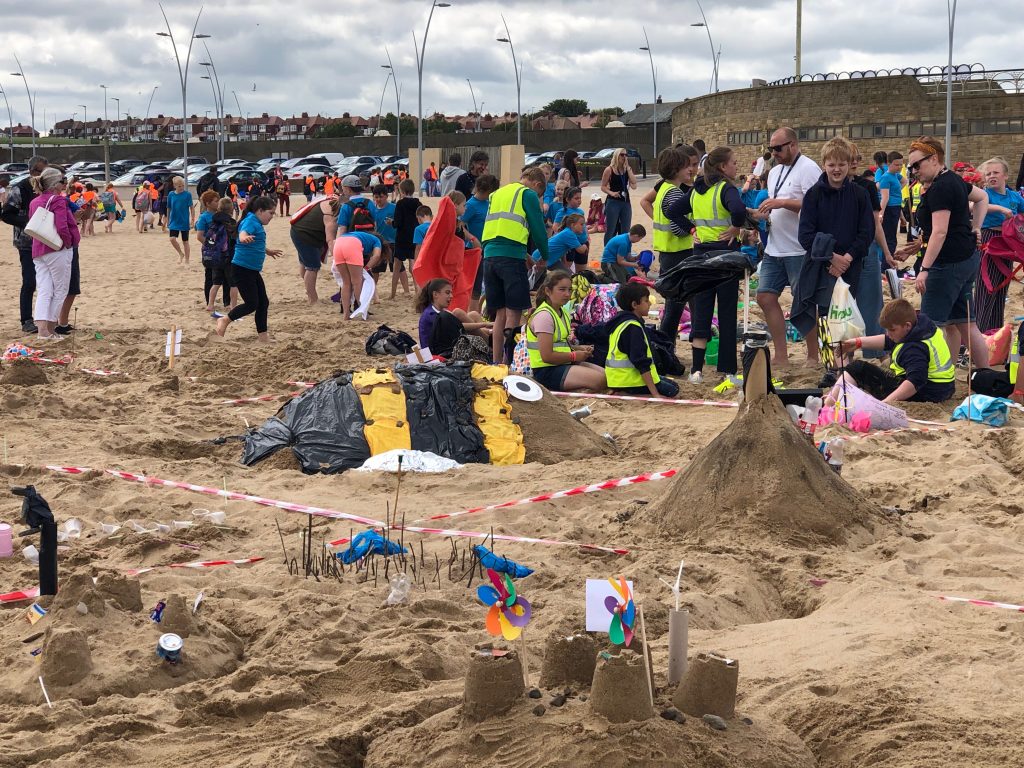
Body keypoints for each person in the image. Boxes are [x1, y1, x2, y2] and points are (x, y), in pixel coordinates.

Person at [895, 136, 990, 370]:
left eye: (917, 164)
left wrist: (924, 269)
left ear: (934, 159)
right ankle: (984, 374)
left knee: (929, 324)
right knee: (963, 323)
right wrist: (974, 227)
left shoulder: (940, 187)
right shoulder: (954, 181)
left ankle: (932, 374)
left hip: (947, 264)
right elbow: (982, 198)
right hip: (965, 259)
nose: (914, 170)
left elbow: (940, 232)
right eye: (910, 166)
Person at [791, 137, 874, 346]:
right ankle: (831, 365)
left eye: (841, 164)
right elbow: (805, 236)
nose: (836, 169)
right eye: (831, 165)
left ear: (849, 165)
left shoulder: (860, 194)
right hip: (822, 266)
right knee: (825, 316)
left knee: (847, 314)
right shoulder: (813, 195)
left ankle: (845, 366)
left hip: (850, 264)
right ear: (824, 165)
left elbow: (866, 233)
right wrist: (831, 258)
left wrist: (847, 257)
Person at [755, 126, 823, 367]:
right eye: (771, 149)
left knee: (804, 302)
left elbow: (815, 206)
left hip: (799, 248)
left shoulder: (808, 168)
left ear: (793, 145)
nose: (774, 153)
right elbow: (774, 207)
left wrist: (782, 202)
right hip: (774, 246)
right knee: (764, 297)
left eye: (778, 148)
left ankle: (813, 355)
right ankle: (781, 355)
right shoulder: (774, 172)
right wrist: (756, 215)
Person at [681, 146, 748, 382]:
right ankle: (727, 370)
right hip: (724, 256)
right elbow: (738, 209)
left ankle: (696, 370)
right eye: (733, 163)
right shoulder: (725, 188)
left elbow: (673, 210)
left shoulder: (696, 191)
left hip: (701, 256)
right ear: (722, 167)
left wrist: (692, 229)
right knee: (727, 312)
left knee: (702, 313)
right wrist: (737, 227)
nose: (736, 166)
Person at [827, 298, 955, 405]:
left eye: (892, 330)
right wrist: (858, 342)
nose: (889, 334)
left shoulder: (914, 348)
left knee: (856, 369)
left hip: (927, 393)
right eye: (886, 330)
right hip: (944, 387)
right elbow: (889, 341)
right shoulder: (921, 327)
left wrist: (885, 404)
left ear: (907, 325)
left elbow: (915, 381)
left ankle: (827, 405)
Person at [482, 167, 549, 364]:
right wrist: (544, 256)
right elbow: (538, 229)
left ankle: (496, 362)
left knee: (499, 314)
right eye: (540, 195)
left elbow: (502, 229)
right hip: (510, 260)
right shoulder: (527, 194)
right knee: (514, 312)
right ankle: (508, 361)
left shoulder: (497, 194)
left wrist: (525, 254)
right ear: (537, 185)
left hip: (490, 256)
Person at [639, 145, 700, 345]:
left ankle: (666, 344)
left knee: (675, 304)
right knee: (675, 306)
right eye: (685, 167)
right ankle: (666, 346)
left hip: (668, 252)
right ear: (675, 170)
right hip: (677, 252)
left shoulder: (664, 188)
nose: (689, 170)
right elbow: (676, 227)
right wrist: (694, 228)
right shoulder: (674, 193)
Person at [848, 146, 896, 359]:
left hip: (866, 251)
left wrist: (886, 253)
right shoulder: (825, 187)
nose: (855, 162)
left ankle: (873, 354)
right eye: (851, 158)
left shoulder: (866, 186)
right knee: (841, 307)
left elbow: (875, 223)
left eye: (857, 158)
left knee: (871, 304)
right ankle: (843, 356)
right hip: (838, 253)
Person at [525, 270, 605, 391]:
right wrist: (574, 356)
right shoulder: (544, 316)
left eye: (569, 290)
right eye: (562, 290)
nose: (567, 294)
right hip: (546, 370)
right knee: (599, 380)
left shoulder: (562, 312)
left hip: (561, 363)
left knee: (605, 375)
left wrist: (579, 348)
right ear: (548, 291)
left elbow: (560, 343)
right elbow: (546, 356)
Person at [216, 196, 282, 341]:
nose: (272, 216)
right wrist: (243, 237)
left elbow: (255, 242)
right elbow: (243, 232)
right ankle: (225, 320)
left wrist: (267, 250)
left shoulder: (256, 221)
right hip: (242, 269)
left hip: (251, 270)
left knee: (263, 302)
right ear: (260, 211)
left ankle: (263, 336)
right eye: (271, 213)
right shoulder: (251, 221)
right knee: (252, 303)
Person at [27, 168, 78, 340]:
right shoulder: (57, 201)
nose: (64, 184)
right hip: (56, 248)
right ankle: (50, 328)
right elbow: (62, 225)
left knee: (44, 289)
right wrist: (68, 243)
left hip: (39, 249)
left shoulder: (35, 201)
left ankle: (42, 330)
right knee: (60, 289)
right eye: (62, 181)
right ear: (55, 184)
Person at [974, 157, 1024, 331]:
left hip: (1008, 243)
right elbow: (974, 206)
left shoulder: (1015, 196)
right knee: (985, 289)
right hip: (989, 240)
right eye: (988, 174)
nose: (991, 176)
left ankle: (993, 335)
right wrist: (1000, 209)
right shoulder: (984, 194)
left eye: (996, 172)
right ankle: (978, 334)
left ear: (1005, 176)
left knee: (1001, 289)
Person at [605, 282, 679, 398]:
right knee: (672, 390)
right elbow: (641, 362)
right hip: (629, 381)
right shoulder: (632, 327)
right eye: (646, 300)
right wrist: (655, 394)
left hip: (617, 379)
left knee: (671, 383)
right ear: (635, 304)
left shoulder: (621, 321)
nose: (649, 303)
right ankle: (630, 395)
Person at [1, 154, 48, 334]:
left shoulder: (46, 189)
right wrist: (29, 221)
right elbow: (6, 214)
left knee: (47, 283)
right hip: (26, 243)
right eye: (40, 172)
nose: (43, 176)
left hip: (46, 242)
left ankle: (47, 319)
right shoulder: (19, 189)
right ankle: (26, 320)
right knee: (29, 281)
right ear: (31, 171)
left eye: (46, 172)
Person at [415, 277, 491, 357]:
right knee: (470, 323)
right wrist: (483, 325)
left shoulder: (439, 311)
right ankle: (489, 343)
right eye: (447, 293)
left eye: (451, 293)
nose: (451, 296)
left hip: (445, 344)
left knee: (472, 315)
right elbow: (458, 327)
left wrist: (485, 329)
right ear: (435, 294)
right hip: (436, 353)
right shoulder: (430, 314)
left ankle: (489, 340)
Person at [290, 189, 340, 304]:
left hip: (298, 230)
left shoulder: (329, 200)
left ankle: (310, 292)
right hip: (306, 235)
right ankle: (313, 299)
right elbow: (330, 239)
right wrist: (337, 257)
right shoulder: (331, 215)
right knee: (312, 267)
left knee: (306, 263)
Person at [462, 174, 498, 311]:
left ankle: (479, 313)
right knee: (475, 286)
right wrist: (472, 238)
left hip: (489, 248)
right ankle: (473, 315)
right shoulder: (471, 205)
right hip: (474, 250)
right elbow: (459, 225)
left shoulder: (490, 203)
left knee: (487, 283)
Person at [332, 230, 382, 320]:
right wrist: (366, 268)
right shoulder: (376, 240)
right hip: (352, 245)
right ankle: (363, 312)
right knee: (357, 282)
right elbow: (377, 256)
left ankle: (346, 315)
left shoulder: (361, 236)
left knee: (346, 283)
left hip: (338, 243)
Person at [532, 212, 589, 277]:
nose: (584, 227)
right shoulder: (569, 234)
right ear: (573, 225)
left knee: (567, 274)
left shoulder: (567, 232)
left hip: (550, 259)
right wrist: (585, 245)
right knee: (534, 282)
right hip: (539, 258)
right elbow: (581, 250)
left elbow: (563, 250)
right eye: (581, 224)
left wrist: (565, 264)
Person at [369, 184, 401, 297]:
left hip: (393, 242)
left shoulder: (393, 207)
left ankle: (406, 291)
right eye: (376, 197)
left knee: (399, 268)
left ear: (386, 196)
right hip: (379, 243)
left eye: (381, 197)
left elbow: (399, 222)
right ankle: (372, 292)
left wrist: (392, 222)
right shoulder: (372, 209)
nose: (378, 199)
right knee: (376, 269)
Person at [600, 148, 637, 245]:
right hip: (613, 202)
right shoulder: (609, 169)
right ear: (616, 155)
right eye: (622, 154)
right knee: (611, 229)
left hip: (625, 202)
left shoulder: (626, 169)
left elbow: (634, 183)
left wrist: (628, 168)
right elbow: (603, 187)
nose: (624, 157)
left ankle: (623, 253)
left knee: (625, 229)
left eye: (625, 155)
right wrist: (611, 193)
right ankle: (608, 252)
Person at [392, 177, 422, 278]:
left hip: (402, 238)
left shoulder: (400, 204)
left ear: (402, 191)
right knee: (413, 264)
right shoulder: (418, 203)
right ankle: (418, 290)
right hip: (415, 237)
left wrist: (391, 222)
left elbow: (397, 223)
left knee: (397, 266)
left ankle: (393, 293)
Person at [878, 151, 904, 256]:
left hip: (895, 208)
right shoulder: (886, 177)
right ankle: (886, 265)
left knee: (892, 237)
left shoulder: (896, 176)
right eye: (896, 164)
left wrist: (902, 216)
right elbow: (885, 198)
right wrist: (881, 214)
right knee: (890, 239)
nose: (899, 167)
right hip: (889, 210)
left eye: (901, 164)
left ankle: (888, 264)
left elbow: (905, 181)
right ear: (889, 164)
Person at [166, 176, 195, 265]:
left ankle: (187, 260)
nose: (181, 187)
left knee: (185, 241)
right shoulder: (171, 194)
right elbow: (168, 208)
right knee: (172, 239)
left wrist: (192, 219)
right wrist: (167, 220)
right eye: (179, 186)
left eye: (182, 185)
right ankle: (180, 253)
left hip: (184, 221)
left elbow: (191, 208)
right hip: (174, 221)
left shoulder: (187, 195)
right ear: (174, 185)